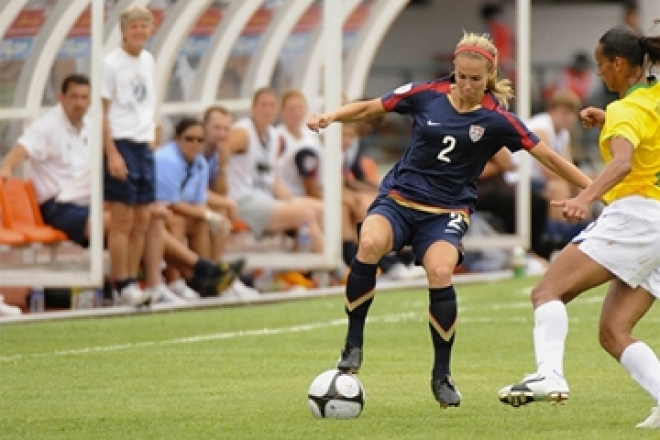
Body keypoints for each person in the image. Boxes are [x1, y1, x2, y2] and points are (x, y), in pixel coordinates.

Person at [307, 31, 593, 408]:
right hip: (399, 199)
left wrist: (594, 188)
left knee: (440, 272)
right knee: (370, 244)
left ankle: (442, 374)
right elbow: (369, 108)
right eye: (461, 76)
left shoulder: (497, 119)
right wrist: (330, 116)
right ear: (453, 71)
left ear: (489, 75)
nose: (467, 85)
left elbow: (549, 158)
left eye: (476, 79)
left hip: (446, 212)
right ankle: (353, 344)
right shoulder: (425, 94)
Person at [498, 26, 660, 429]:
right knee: (613, 331)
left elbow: (622, 162)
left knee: (547, 291)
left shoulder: (627, 111)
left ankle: (549, 374)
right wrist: (608, 117)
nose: (600, 73)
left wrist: (584, 198)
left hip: (636, 216)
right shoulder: (649, 100)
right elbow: (646, 132)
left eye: (601, 64)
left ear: (619, 64)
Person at [0, 74, 231, 303]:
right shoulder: (48, 126)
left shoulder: (92, 126)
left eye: (84, 97)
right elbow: (23, 148)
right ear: (61, 98)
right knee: (130, 220)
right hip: (59, 207)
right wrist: (7, 168)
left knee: (149, 217)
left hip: (93, 203)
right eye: (74, 97)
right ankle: (193, 270)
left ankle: (159, 285)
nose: (79, 103)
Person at [102, 6, 160, 305]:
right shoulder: (110, 64)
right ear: (123, 30)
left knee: (143, 219)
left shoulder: (148, 60)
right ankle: (121, 282)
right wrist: (111, 153)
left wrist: (153, 133)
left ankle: (133, 282)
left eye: (144, 26)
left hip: (143, 144)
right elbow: (102, 112)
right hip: (122, 143)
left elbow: (149, 102)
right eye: (134, 26)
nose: (139, 30)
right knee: (122, 220)